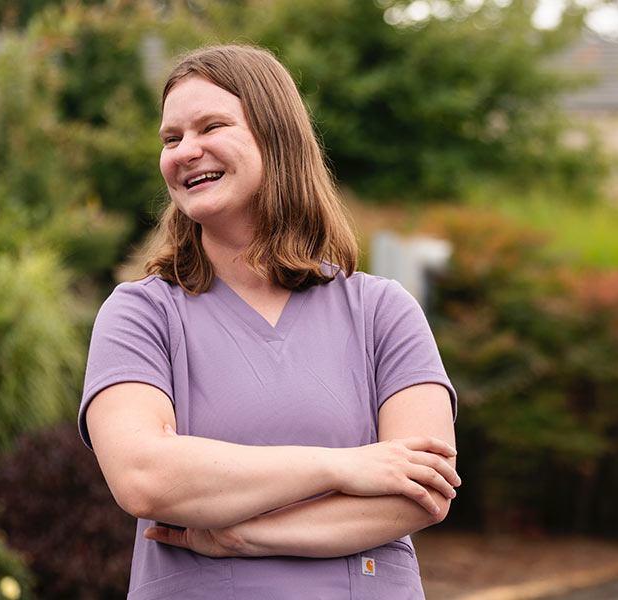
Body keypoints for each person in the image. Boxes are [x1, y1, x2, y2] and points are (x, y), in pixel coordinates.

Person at [79, 44, 460, 599]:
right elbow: (145, 477)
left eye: (211, 126)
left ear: (276, 138)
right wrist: (344, 469)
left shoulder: (383, 311)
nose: (185, 151)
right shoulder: (140, 315)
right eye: (171, 138)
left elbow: (423, 489)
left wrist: (243, 537)